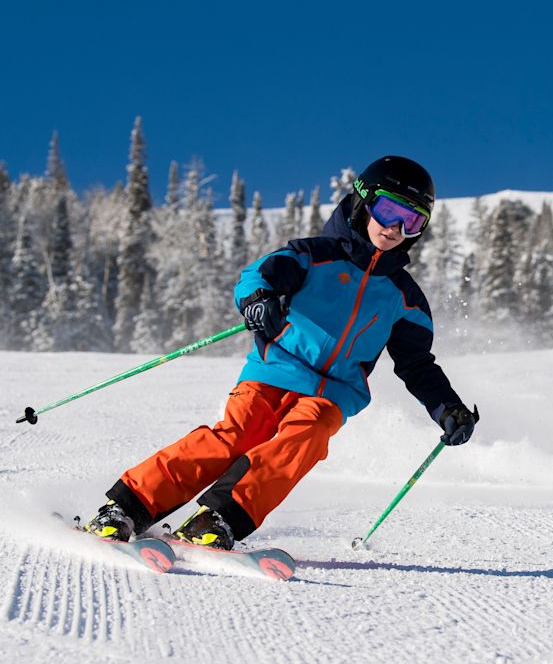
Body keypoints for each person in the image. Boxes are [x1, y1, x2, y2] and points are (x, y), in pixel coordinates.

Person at [85, 155, 477, 549]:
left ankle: (220, 518)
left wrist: (447, 408)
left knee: (306, 438)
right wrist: (258, 300)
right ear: (362, 202)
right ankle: (127, 506)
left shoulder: (405, 298)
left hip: (334, 392)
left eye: (412, 221)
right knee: (238, 435)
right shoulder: (315, 255)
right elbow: (257, 276)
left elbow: (416, 364)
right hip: (275, 368)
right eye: (388, 210)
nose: (395, 228)